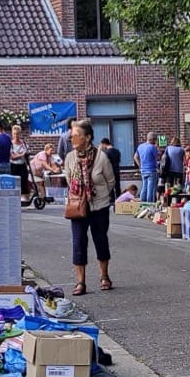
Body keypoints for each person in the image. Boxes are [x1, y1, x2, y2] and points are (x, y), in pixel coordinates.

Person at [63, 119, 119, 295]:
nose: (72, 139)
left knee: (100, 239)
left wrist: (98, 195)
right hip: (77, 206)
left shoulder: (101, 157)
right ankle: (80, 282)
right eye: (71, 135)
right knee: (78, 241)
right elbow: (69, 180)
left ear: (87, 138)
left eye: (76, 135)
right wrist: (81, 195)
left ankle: (104, 276)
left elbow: (111, 181)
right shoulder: (70, 158)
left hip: (99, 206)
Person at [135, 134, 160, 203]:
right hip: (151, 170)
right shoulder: (152, 147)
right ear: (153, 139)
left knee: (144, 187)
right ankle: (150, 204)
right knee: (151, 189)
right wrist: (157, 147)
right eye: (155, 140)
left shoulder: (140, 146)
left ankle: (142, 203)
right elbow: (158, 157)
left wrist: (140, 166)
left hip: (143, 170)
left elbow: (135, 157)